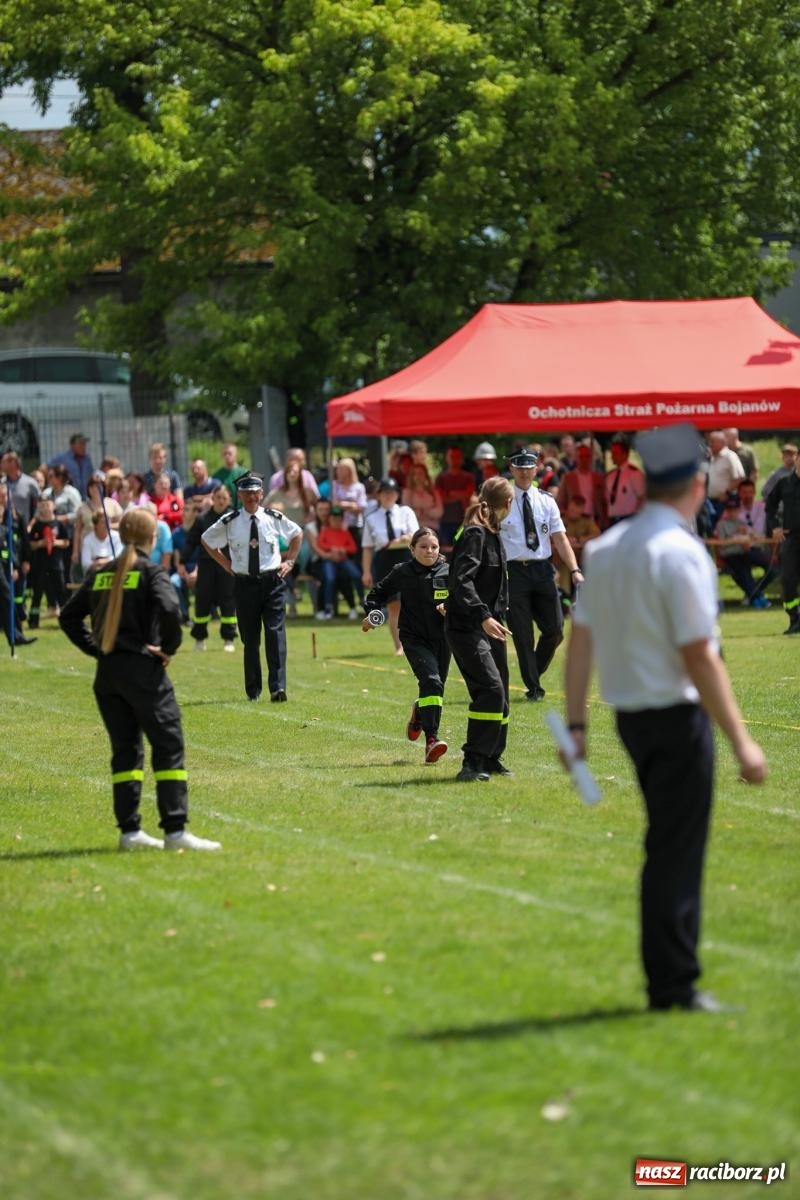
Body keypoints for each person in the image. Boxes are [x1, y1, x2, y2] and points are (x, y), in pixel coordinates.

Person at [563, 423, 766, 1012]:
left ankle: (670, 977)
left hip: (630, 715)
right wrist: (742, 742)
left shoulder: (605, 549)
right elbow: (700, 656)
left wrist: (576, 726)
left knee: (666, 844)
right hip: (676, 717)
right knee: (677, 850)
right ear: (697, 485)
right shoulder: (680, 553)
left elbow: (580, 643)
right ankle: (673, 983)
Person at [59, 508, 221, 851]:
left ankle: (130, 831)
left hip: (107, 677)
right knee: (168, 744)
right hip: (144, 673)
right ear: (151, 537)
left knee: (125, 752)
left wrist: (99, 650)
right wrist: (167, 649)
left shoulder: (102, 573)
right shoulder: (150, 572)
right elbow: (170, 611)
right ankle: (175, 831)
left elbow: (69, 616)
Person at [201, 473, 302, 701]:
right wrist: (227, 565)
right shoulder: (230, 521)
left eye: (255, 492)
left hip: (272, 582)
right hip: (245, 584)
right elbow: (207, 540)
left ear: (262, 494)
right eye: (247, 493)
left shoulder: (273, 517)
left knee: (275, 634)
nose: (251, 497)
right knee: (250, 639)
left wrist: (290, 561)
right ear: (239, 495)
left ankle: (278, 688)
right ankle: (253, 690)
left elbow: (297, 534)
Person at [446, 476, 515, 782]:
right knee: (490, 690)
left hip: (491, 625)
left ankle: (491, 758)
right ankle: (471, 762)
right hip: (468, 626)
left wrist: (495, 617)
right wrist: (483, 616)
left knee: (502, 694)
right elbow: (461, 580)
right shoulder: (475, 533)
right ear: (509, 504)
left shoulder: (492, 532)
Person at [363, 527, 451, 764]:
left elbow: (464, 598)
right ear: (412, 550)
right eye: (423, 547)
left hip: (444, 639)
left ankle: (420, 711)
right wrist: (372, 615)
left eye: (433, 547)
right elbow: (377, 594)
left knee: (436, 687)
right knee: (431, 681)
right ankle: (431, 740)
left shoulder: (449, 571)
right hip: (413, 638)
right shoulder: (403, 572)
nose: (429, 551)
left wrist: (450, 608)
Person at [500, 450, 583, 701]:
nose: (525, 471)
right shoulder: (502, 500)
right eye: (519, 467)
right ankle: (534, 687)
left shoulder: (547, 500)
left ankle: (533, 670)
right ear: (512, 470)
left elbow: (559, 538)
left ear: (537, 469)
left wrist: (575, 570)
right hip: (514, 571)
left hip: (542, 569)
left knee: (555, 629)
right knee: (523, 634)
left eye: (529, 467)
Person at [361, 477, 419, 654]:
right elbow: (368, 547)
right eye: (385, 493)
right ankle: (399, 646)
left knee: (412, 603)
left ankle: (416, 640)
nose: (388, 496)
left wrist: (405, 538)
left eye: (392, 493)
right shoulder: (371, 518)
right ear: (379, 495)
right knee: (394, 605)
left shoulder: (405, 512)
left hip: (405, 557)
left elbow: (416, 534)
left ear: (397, 495)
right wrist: (366, 572)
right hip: (385, 560)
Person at [186, 485, 238, 651]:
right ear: (212, 499)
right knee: (202, 601)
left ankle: (229, 639)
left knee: (228, 601)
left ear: (229, 499)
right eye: (218, 498)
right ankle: (199, 639)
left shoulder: (235, 519)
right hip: (206, 565)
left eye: (224, 498)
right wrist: (182, 561)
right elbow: (191, 541)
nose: (221, 501)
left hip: (228, 566)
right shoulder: (202, 519)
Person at [712, 492, 776, 608]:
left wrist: (750, 537)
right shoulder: (721, 525)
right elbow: (722, 545)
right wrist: (736, 537)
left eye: (735, 509)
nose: (732, 512)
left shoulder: (741, 523)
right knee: (743, 572)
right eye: (730, 510)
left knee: (765, 568)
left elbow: (752, 536)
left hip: (742, 552)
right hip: (729, 555)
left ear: (738, 509)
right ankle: (757, 598)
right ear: (727, 510)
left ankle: (754, 596)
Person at [765, 448, 800, 634]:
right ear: (796, 459)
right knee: (787, 579)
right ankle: (795, 618)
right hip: (792, 538)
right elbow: (769, 507)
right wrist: (775, 527)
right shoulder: (784, 483)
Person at [315, 505, 364, 619]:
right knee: (330, 579)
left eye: (338, 519)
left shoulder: (345, 532)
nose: (336, 522)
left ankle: (362, 599)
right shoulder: (325, 531)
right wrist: (333, 549)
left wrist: (343, 550)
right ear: (329, 519)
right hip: (330, 560)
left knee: (356, 574)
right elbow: (320, 544)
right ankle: (328, 607)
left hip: (343, 559)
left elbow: (353, 548)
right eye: (333, 519)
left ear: (342, 520)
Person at [27, 496, 69, 627]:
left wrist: (56, 542)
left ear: (53, 506)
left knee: (61, 591)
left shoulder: (58, 524)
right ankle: (33, 620)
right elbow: (31, 544)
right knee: (38, 592)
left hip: (56, 563)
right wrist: (41, 543)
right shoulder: (37, 525)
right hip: (40, 563)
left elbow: (66, 542)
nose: (45, 508)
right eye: (42, 505)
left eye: (48, 505)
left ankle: (66, 619)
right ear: (39, 507)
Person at [557, 440, 609, 530]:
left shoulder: (598, 478)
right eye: (581, 456)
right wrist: (567, 514)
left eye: (587, 456)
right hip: (575, 522)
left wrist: (604, 520)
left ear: (591, 458)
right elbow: (560, 502)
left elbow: (604, 502)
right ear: (576, 458)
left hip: (594, 520)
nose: (584, 459)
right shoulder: (568, 478)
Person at [435, 446, 476, 546]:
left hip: (463, 522)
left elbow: (468, 495)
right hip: (445, 522)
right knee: (445, 551)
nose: (454, 459)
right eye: (451, 456)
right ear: (447, 458)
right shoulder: (441, 478)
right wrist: (460, 494)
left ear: (461, 459)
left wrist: (449, 493)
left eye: (457, 456)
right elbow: (441, 498)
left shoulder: (468, 477)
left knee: (462, 548)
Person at [706, 430, 745, 523]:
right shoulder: (712, 457)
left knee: (721, 528)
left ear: (722, 442)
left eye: (712, 441)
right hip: (710, 501)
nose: (710, 444)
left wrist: (727, 493)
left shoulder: (730, 456)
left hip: (724, 502)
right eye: (709, 441)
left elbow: (740, 478)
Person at [605, 433, 645, 523]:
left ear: (625, 454)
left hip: (629, 519)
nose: (612, 456)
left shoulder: (635, 474)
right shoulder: (610, 476)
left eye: (615, 453)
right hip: (612, 520)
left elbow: (642, 498)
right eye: (612, 453)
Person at [48, 433, 95, 500]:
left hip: (86, 497)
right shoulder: (63, 458)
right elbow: (45, 467)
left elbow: (91, 474)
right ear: (72, 445)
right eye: (80, 444)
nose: (83, 446)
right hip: (70, 497)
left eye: (84, 444)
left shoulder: (87, 459)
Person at [1, 450, 40, 525]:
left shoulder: (30, 483)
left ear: (12, 463)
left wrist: (31, 526)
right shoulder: (1, 483)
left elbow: (39, 507)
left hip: (25, 529)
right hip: (5, 530)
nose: (1, 465)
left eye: (3, 462)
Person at [402, 462, 444, 531]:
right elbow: (407, 512)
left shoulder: (433, 492)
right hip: (415, 528)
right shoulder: (407, 492)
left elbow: (439, 512)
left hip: (433, 528)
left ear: (426, 475)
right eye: (415, 474)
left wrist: (422, 511)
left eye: (420, 473)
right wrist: (430, 512)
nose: (418, 476)